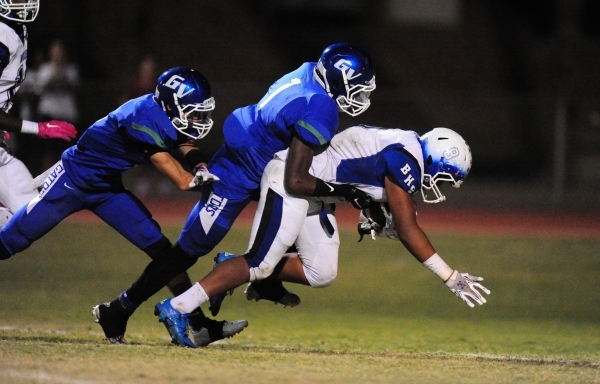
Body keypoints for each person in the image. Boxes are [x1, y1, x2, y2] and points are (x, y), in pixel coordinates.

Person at [95, 42, 377, 348]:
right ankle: (119, 310)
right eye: (358, 88)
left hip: (261, 158)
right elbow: (296, 178)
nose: (362, 96)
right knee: (188, 250)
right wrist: (345, 193)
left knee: (307, 215)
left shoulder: (310, 71)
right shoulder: (320, 106)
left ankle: (259, 279)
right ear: (338, 80)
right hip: (241, 169)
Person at [0, 66, 248, 345]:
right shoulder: (139, 118)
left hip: (107, 189)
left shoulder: (165, 113)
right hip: (71, 182)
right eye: (192, 111)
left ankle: (197, 322)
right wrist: (211, 182)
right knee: (10, 242)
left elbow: (185, 140)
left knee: (162, 251)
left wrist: (200, 164)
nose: (198, 118)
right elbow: (178, 178)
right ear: (171, 104)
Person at [172, 126, 490, 336]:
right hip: (294, 181)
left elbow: (361, 176)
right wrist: (451, 277)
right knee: (259, 263)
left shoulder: (404, 146)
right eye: (444, 176)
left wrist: (373, 211)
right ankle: (179, 306)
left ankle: (236, 268)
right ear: (435, 159)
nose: (438, 183)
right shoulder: (405, 159)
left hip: (315, 194)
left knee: (321, 272)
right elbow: (408, 228)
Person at [0, 0, 77, 228]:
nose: (24, 3)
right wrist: (39, 128)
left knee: (33, 216)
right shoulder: (3, 37)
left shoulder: (15, 30)